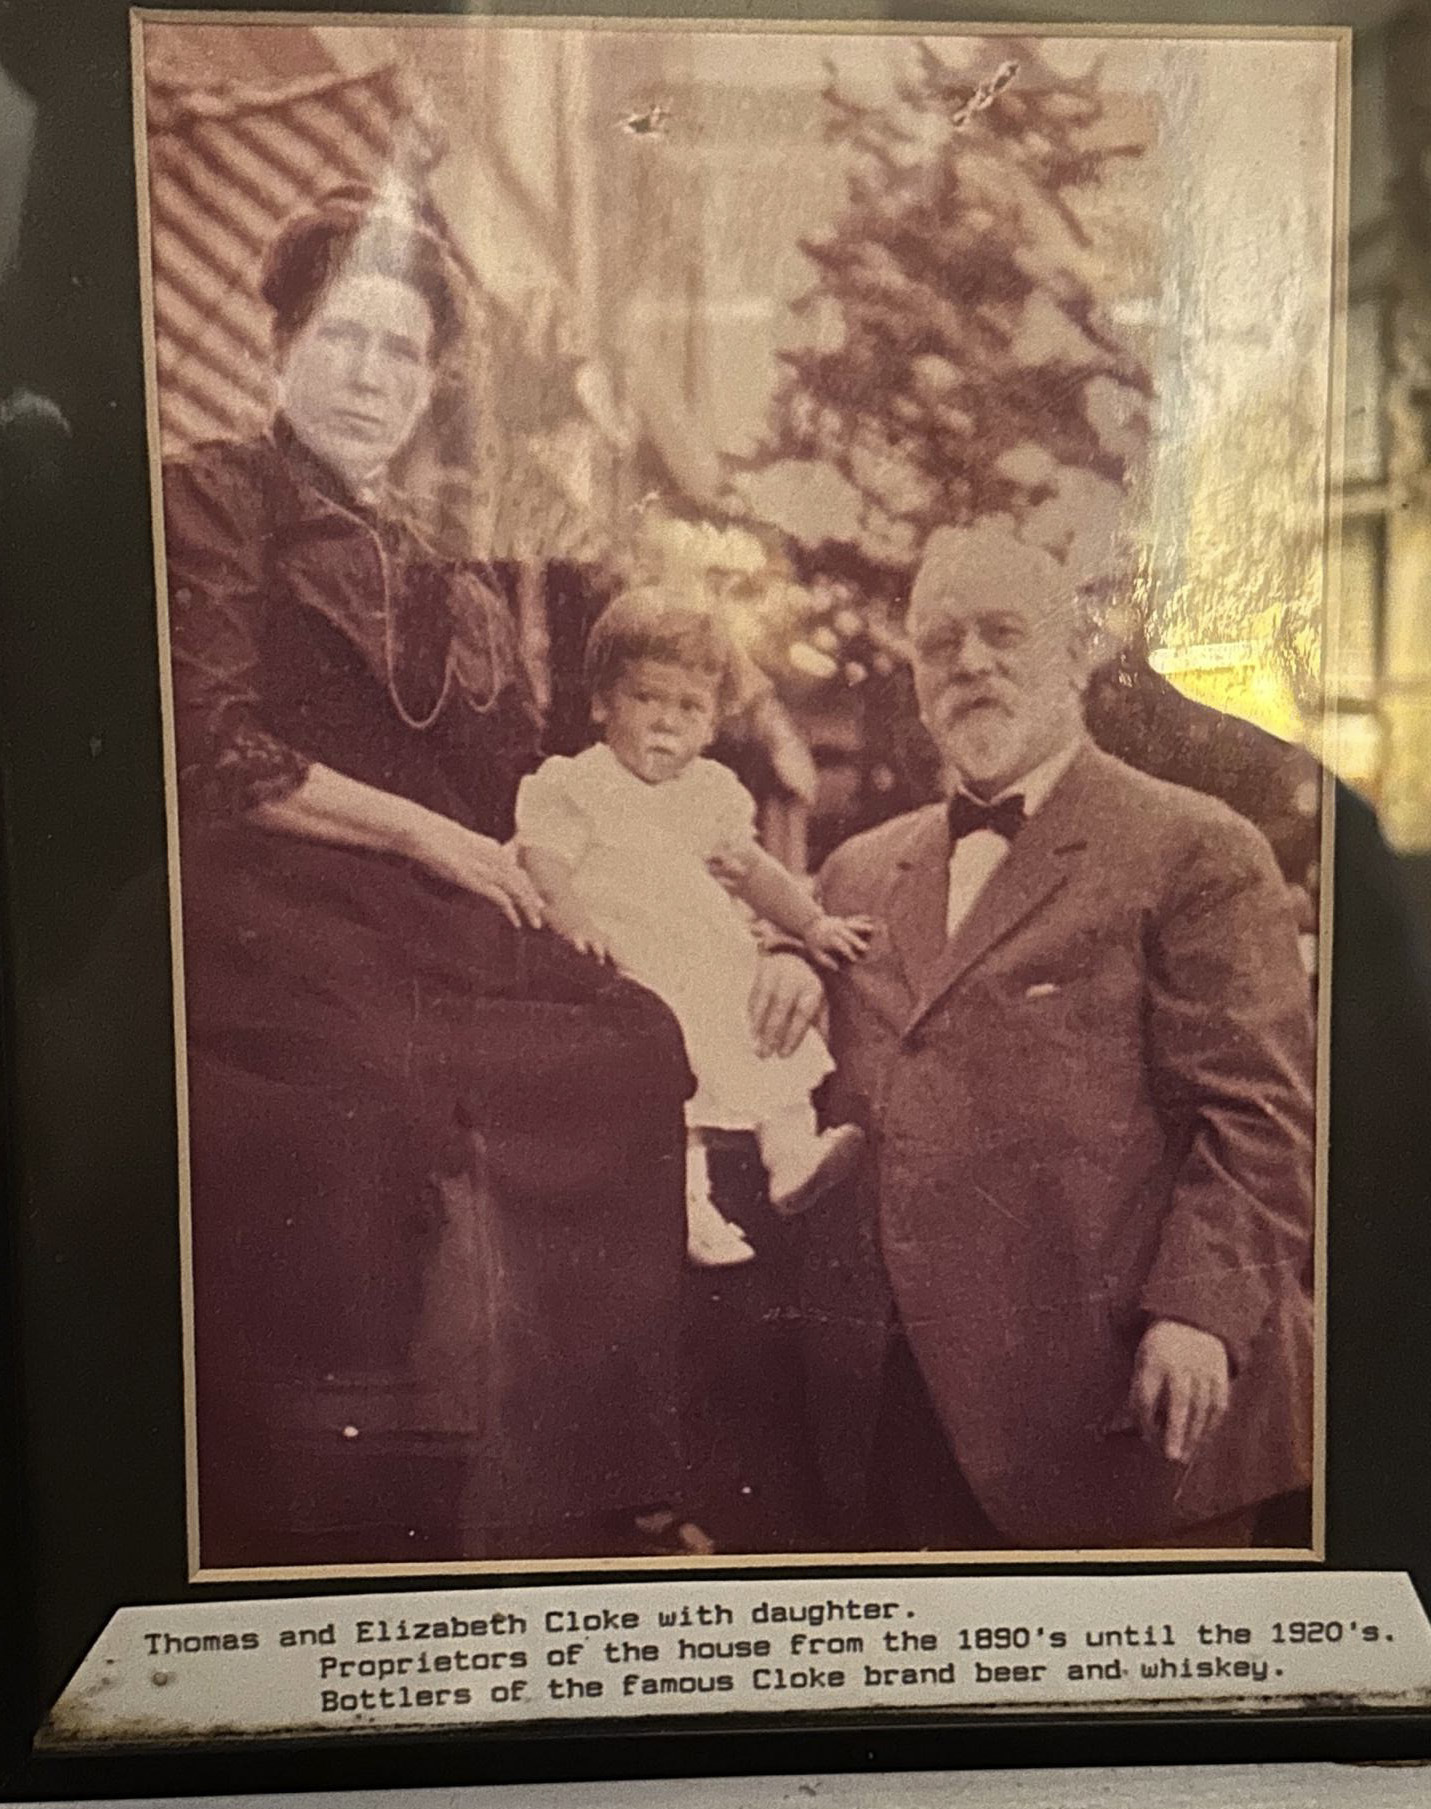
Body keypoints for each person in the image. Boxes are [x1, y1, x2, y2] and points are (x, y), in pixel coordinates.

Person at [163, 183, 711, 1567]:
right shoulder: (208, 499)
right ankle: (359, 1484)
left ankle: (590, 1478)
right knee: (383, 1080)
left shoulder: (439, 570)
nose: (369, 376)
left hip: (423, 911)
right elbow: (211, 749)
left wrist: (557, 884)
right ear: (277, 346)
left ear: (427, 384)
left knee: (634, 1034)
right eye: (342, 338)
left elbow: (493, 794)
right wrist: (424, 838)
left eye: (400, 352)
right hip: (260, 894)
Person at [806, 518, 1316, 1550]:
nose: (972, 664)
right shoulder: (855, 873)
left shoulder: (1197, 848)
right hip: (903, 1418)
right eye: (940, 642)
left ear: (1076, 653)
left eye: (1004, 632)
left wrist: (1201, 1315)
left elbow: (1259, 1118)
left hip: (1129, 1413)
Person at [515, 589, 869, 1268]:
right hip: (630, 955)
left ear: (710, 727)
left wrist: (812, 922)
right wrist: (574, 923)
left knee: (763, 1041)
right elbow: (545, 860)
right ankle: (689, 1210)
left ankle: (792, 1157)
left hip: (704, 955)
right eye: (647, 698)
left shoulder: (708, 793)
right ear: (601, 704)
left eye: (689, 707)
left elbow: (756, 872)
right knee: (672, 1083)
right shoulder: (575, 784)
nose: (666, 722)